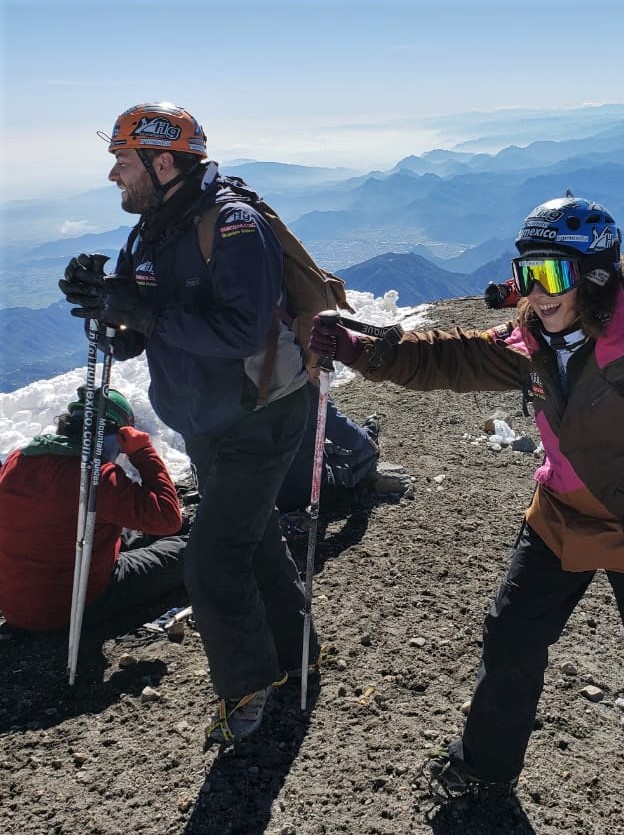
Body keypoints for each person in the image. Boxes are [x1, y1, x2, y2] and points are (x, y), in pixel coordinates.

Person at [308, 194, 624, 835]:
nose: (535, 292)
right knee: (511, 636)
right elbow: (447, 358)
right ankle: (487, 768)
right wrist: (361, 350)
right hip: (560, 515)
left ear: (596, 277)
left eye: (552, 276)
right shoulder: (530, 341)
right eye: (527, 273)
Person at [57, 103, 315, 744]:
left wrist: (139, 314)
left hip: (261, 414)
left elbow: (239, 330)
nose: (115, 174)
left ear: (162, 161)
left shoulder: (232, 227)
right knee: (249, 539)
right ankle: (298, 653)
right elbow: (142, 333)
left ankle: (248, 690)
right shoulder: (153, 230)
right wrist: (109, 307)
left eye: (122, 160)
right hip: (208, 417)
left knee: (212, 561)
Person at [0, 387, 186, 635]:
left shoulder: (16, 460)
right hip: (72, 605)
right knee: (188, 549)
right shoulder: (97, 477)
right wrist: (143, 453)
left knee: (131, 534)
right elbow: (168, 519)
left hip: (16, 605)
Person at [275, 382, 412, 518]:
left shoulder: (259, 382)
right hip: (301, 490)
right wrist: (366, 439)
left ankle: (368, 431)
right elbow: (347, 435)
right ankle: (371, 431)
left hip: (264, 491)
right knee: (368, 450)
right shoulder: (307, 389)